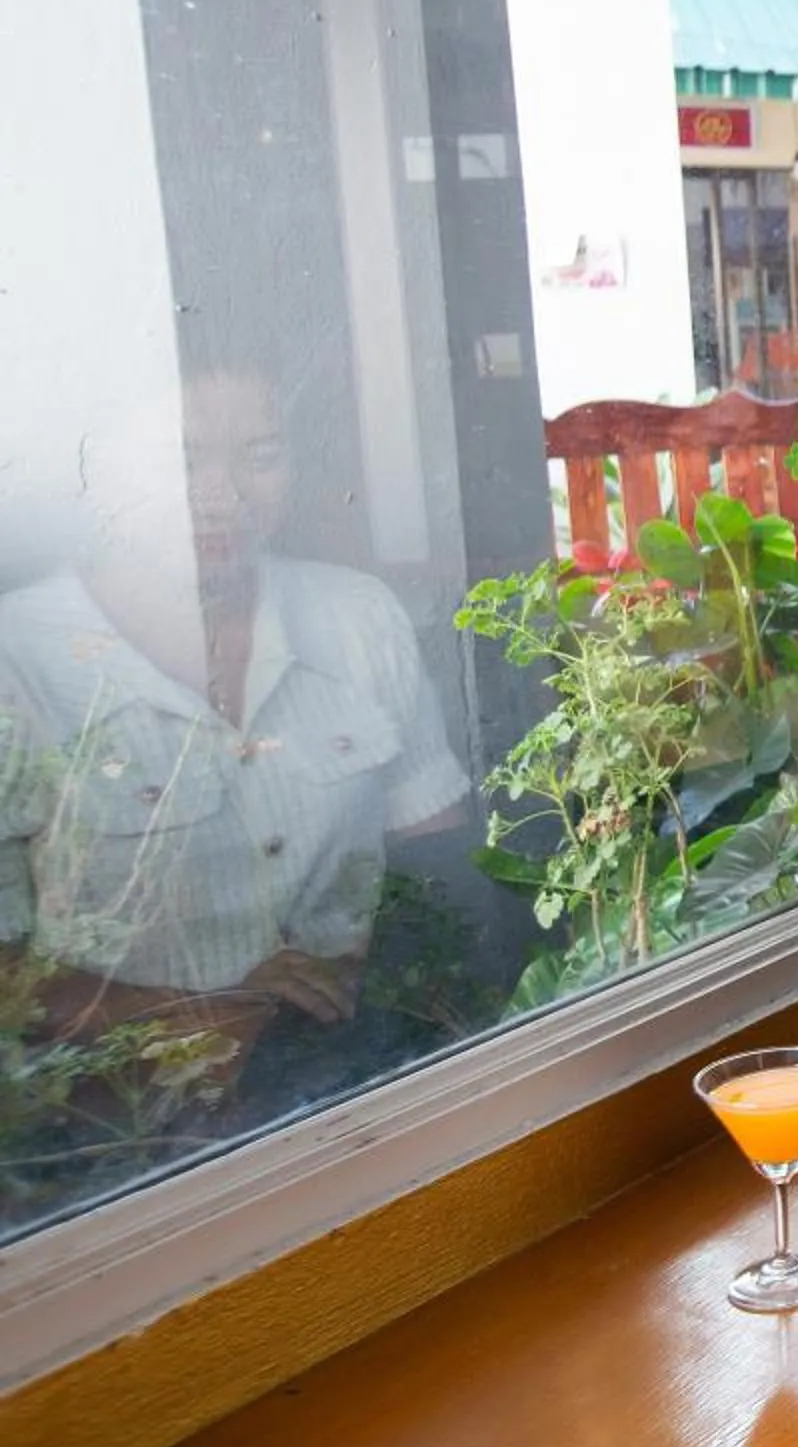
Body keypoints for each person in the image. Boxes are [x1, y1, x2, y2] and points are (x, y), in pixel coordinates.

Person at [0, 357, 472, 1083]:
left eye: (260, 455)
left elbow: (436, 853)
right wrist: (184, 1016)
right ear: (100, 472)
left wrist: (376, 977)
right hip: (117, 1149)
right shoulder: (18, 662)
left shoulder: (357, 616)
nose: (221, 496)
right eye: (181, 460)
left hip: (365, 1071)